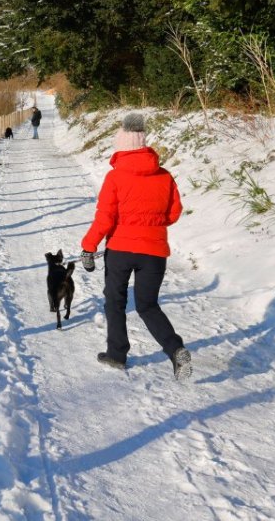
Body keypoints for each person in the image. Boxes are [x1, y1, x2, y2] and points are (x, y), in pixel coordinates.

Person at [81, 112, 191, 380]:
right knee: (148, 305)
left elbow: (105, 218)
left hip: (120, 250)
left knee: (115, 303)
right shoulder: (164, 176)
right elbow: (174, 211)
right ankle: (175, 349)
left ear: (121, 146)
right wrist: (153, 225)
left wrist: (88, 246)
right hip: (154, 252)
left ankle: (117, 355)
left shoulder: (115, 177)